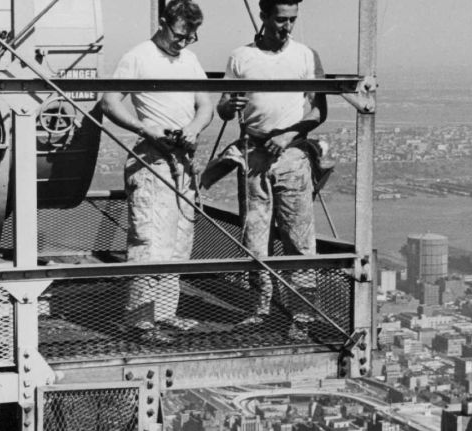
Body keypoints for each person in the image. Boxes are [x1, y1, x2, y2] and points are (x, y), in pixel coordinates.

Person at [99, 0, 213, 342]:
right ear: (163, 23)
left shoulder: (190, 60)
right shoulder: (138, 57)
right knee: (150, 242)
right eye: (179, 35)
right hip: (152, 160)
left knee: (178, 242)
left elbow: (205, 103)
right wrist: (145, 129)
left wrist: (193, 127)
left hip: (183, 161)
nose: (183, 43)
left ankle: (164, 314)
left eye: (190, 37)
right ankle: (138, 321)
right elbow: (109, 102)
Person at [209, 0, 327, 325]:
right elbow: (222, 107)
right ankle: (260, 310)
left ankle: (303, 315)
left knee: (298, 237)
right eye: (280, 20)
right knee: (255, 235)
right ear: (264, 16)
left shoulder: (306, 56)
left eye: (292, 20)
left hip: (291, 156)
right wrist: (229, 105)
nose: (286, 27)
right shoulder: (241, 57)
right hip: (253, 154)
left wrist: (289, 135)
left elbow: (319, 111)